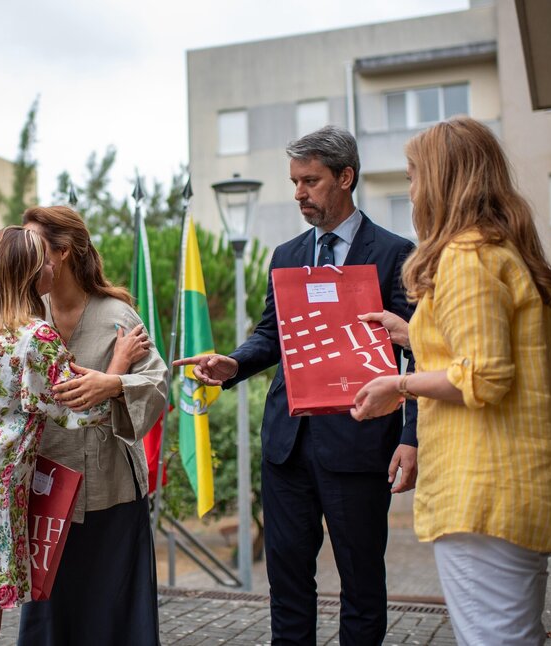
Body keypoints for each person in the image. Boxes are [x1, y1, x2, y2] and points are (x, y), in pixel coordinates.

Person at [175, 125, 418, 645]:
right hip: (287, 448)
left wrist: (411, 436)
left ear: (345, 177)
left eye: (310, 181)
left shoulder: (396, 253)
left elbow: (418, 350)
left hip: (359, 446)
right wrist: (233, 363)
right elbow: (272, 335)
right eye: (294, 182)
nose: (299, 194)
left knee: (362, 586)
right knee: (286, 586)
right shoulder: (286, 255)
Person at [350, 117, 551, 645]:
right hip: (520, 487)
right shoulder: (503, 252)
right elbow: (497, 355)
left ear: (440, 180)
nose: (411, 190)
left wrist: (398, 386)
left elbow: (484, 375)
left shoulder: (465, 256)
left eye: (413, 176)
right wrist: (412, 334)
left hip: (485, 491)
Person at [0, 226, 148, 646]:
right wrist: (118, 366)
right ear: (27, 272)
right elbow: (84, 411)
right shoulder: (34, 337)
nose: (52, 267)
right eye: (43, 261)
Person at [17, 205, 169, 646]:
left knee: (112, 612)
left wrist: (114, 384)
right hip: (42, 488)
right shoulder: (24, 316)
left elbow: (157, 383)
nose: (25, 253)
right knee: (49, 613)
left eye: (34, 244)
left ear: (62, 251)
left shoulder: (117, 315)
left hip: (110, 488)